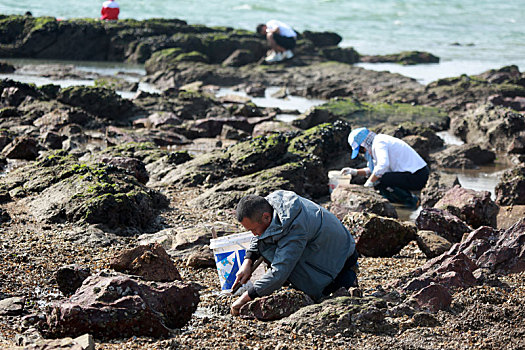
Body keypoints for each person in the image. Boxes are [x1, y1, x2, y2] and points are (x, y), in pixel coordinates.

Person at [230, 190, 358, 316]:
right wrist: (248, 261)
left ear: (266, 217)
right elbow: (261, 237)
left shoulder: (295, 226)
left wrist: (246, 297)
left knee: (324, 294)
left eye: (253, 229)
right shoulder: (271, 203)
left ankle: (346, 282)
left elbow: (279, 272)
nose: (253, 234)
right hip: (320, 246)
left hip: (340, 258)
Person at [341, 127, 429, 208]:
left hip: (418, 175)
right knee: (379, 178)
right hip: (413, 174)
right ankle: (399, 205)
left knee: (381, 180)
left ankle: (411, 202)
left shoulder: (379, 142)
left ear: (364, 143)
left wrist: (369, 183)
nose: (362, 152)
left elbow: (382, 165)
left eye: (360, 149)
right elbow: (374, 170)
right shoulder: (377, 143)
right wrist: (354, 172)